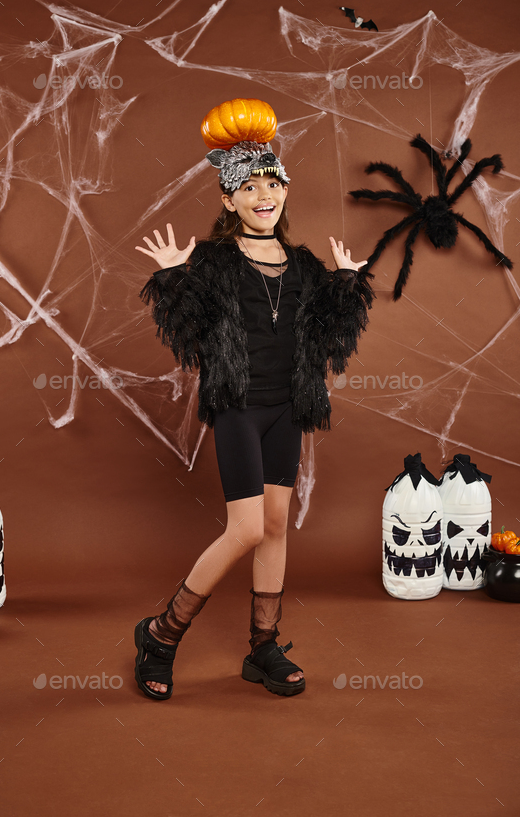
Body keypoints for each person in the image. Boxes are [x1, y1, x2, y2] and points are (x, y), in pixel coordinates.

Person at [134, 105, 373, 700]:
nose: (263, 195)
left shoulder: (306, 265)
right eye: (249, 187)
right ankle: (161, 636)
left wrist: (345, 283)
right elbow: (187, 331)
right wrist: (170, 278)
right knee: (243, 528)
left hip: (287, 409)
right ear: (230, 200)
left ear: (284, 191)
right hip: (240, 407)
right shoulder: (213, 262)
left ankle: (262, 647)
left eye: (272, 183)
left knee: (273, 527)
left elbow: (328, 335)